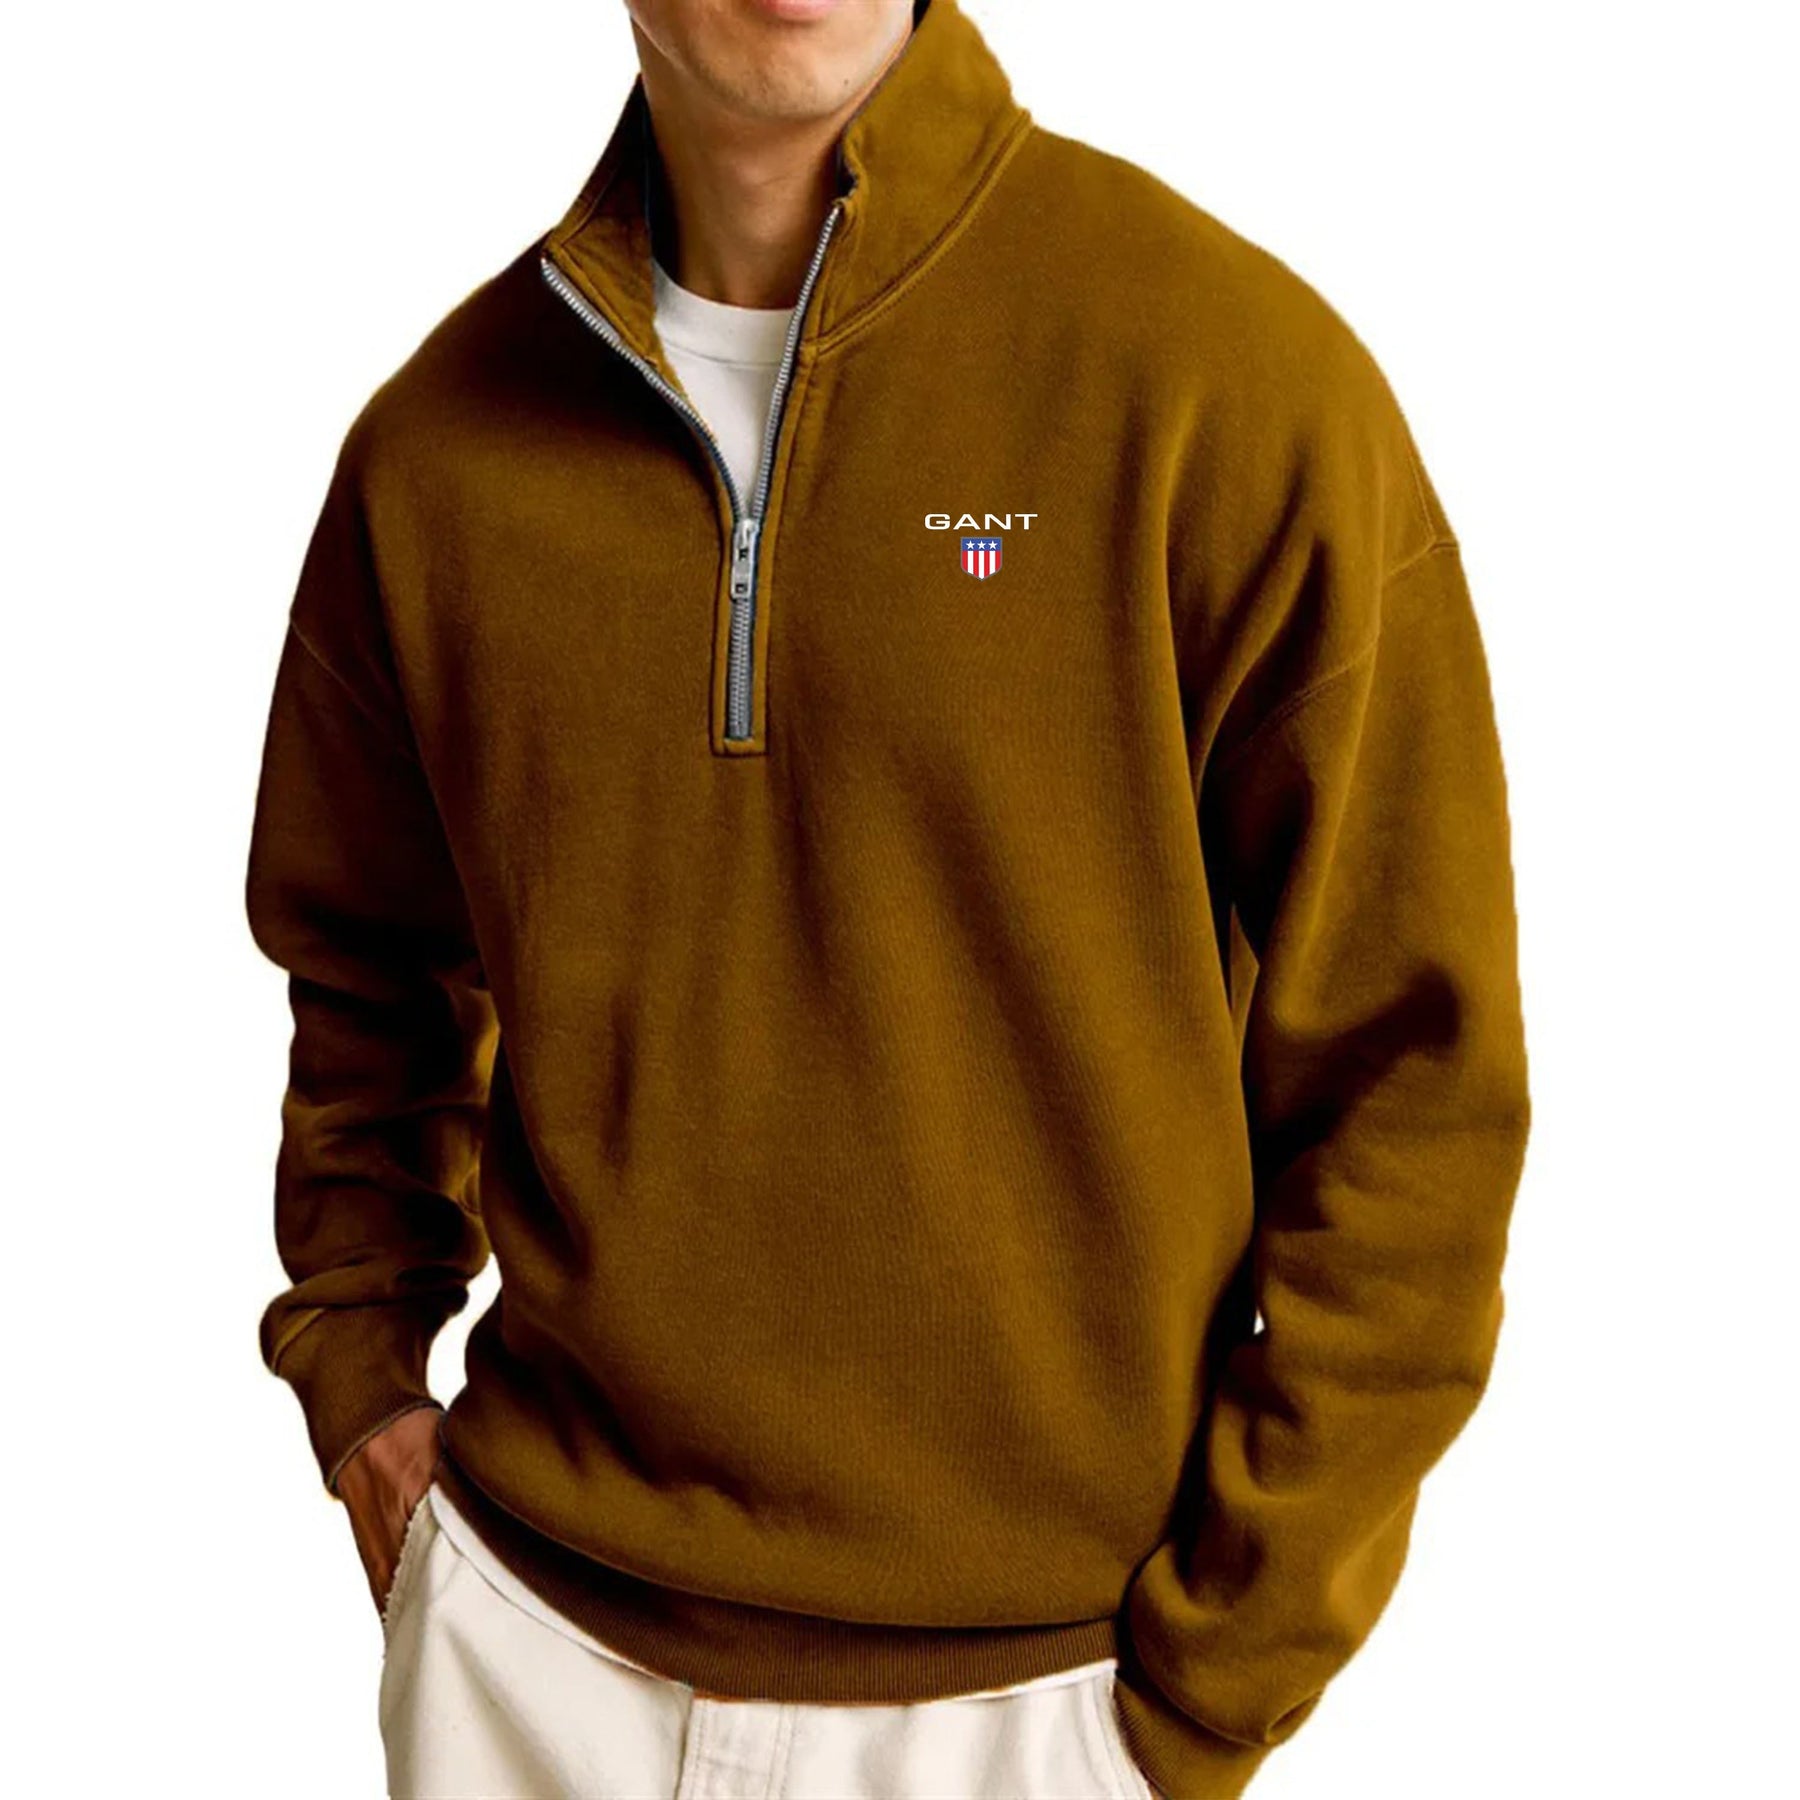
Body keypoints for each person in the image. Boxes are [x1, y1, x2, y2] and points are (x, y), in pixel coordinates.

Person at [243, 0, 1532, 1794]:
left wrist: (1211, 1677)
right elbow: (367, 970)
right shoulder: (437, 448)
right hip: (531, 1667)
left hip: (1040, 1704)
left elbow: (1415, 1086)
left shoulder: (1224, 380)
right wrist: (362, 1374)